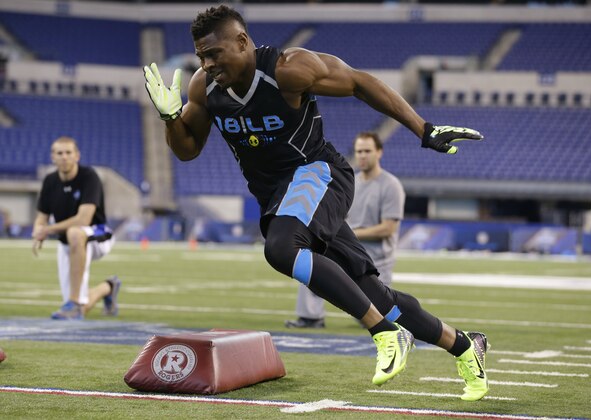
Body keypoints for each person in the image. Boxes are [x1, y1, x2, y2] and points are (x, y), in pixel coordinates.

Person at [143, 5, 488, 400]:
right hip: (281, 197)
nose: (207, 64)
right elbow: (187, 150)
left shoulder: (287, 69)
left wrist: (424, 129)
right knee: (376, 295)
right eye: (201, 56)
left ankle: (385, 333)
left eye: (214, 53)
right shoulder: (204, 88)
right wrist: (170, 118)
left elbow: (359, 83)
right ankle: (464, 346)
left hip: (318, 174)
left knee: (281, 248)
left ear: (241, 42)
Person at [285, 132, 405, 329]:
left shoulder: (391, 185)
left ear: (379, 153)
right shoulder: (350, 182)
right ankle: (311, 317)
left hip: (375, 261)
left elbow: (388, 228)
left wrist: (351, 235)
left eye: (367, 151)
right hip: (345, 251)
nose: (362, 156)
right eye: (359, 151)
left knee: (375, 318)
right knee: (310, 262)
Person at [32, 136, 121, 320]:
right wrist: (37, 231)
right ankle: (108, 288)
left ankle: (73, 302)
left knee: (75, 232)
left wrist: (47, 229)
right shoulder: (50, 181)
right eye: (59, 153)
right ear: (52, 157)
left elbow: (83, 219)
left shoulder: (89, 177)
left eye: (68, 153)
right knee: (81, 307)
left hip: (99, 234)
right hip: (68, 242)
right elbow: (41, 216)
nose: (64, 157)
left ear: (77, 156)